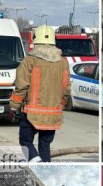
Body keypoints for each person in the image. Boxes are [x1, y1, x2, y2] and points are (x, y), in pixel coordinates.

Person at [9, 25, 71, 162]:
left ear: (36, 41)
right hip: (54, 113)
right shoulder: (64, 62)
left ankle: (36, 162)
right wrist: (60, 105)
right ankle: (44, 164)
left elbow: (21, 86)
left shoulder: (29, 60)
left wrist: (13, 107)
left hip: (32, 114)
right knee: (45, 145)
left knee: (25, 141)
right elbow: (66, 89)